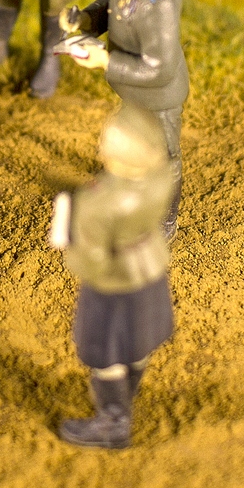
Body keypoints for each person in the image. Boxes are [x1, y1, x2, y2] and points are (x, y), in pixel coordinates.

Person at [48, 103, 177, 450]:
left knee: (105, 352)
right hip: (149, 268)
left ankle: (113, 422)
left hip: (113, 283)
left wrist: (69, 231)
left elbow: (91, 262)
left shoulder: (98, 204)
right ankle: (128, 393)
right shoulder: (162, 177)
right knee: (138, 340)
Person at [64, 0, 189, 237]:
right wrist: (87, 19)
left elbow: (159, 69)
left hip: (157, 97)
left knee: (164, 158)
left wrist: (105, 60)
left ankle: (164, 220)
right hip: (133, 87)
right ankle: (128, 188)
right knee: (131, 143)